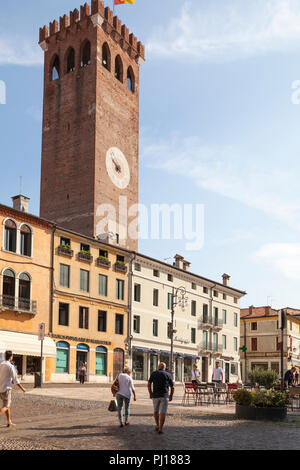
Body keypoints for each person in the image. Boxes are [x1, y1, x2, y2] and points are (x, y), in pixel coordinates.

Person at [0, 351, 26, 427]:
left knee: (8, 405)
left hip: (0, 387)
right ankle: (8, 421)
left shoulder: (1, 364)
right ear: (11, 357)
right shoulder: (10, 366)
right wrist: (22, 388)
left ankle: (9, 421)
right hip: (6, 388)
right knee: (6, 406)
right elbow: (15, 380)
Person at [148, 362, 174, 435]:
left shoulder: (153, 373)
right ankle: (160, 428)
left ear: (158, 367)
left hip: (155, 395)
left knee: (155, 411)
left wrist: (150, 393)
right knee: (163, 412)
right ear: (164, 368)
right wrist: (171, 395)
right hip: (164, 396)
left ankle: (157, 425)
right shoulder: (168, 374)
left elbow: (149, 384)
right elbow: (172, 387)